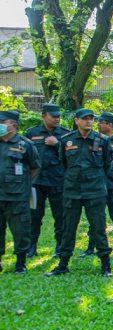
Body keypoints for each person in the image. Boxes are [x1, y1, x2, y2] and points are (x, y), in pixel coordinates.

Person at [45, 108, 113, 277]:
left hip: (95, 191)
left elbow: (107, 164)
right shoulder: (66, 141)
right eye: (85, 119)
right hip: (72, 191)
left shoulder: (102, 140)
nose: (88, 121)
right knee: (68, 228)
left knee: (98, 228)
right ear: (76, 120)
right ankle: (63, 264)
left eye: (91, 119)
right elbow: (63, 163)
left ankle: (105, 265)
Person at [80, 112, 113, 257]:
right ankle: (91, 248)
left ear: (110, 125)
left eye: (101, 122)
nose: (98, 125)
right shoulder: (96, 140)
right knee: (95, 217)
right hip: (97, 186)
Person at [26, 103, 69, 258]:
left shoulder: (65, 135)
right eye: (54, 116)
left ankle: (60, 246)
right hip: (36, 182)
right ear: (44, 115)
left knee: (60, 216)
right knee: (34, 216)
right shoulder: (32, 133)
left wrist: (57, 144)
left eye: (58, 116)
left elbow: (71, 155)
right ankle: (31, 246)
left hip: (58, 181)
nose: (57, 119)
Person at [0, 110, 39, 273]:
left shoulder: (25, 144)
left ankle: (20, 262)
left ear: (13, 125)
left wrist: (22, 185)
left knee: (21, 230)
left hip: (17, 196)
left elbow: (34, 167)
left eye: (2, 122)